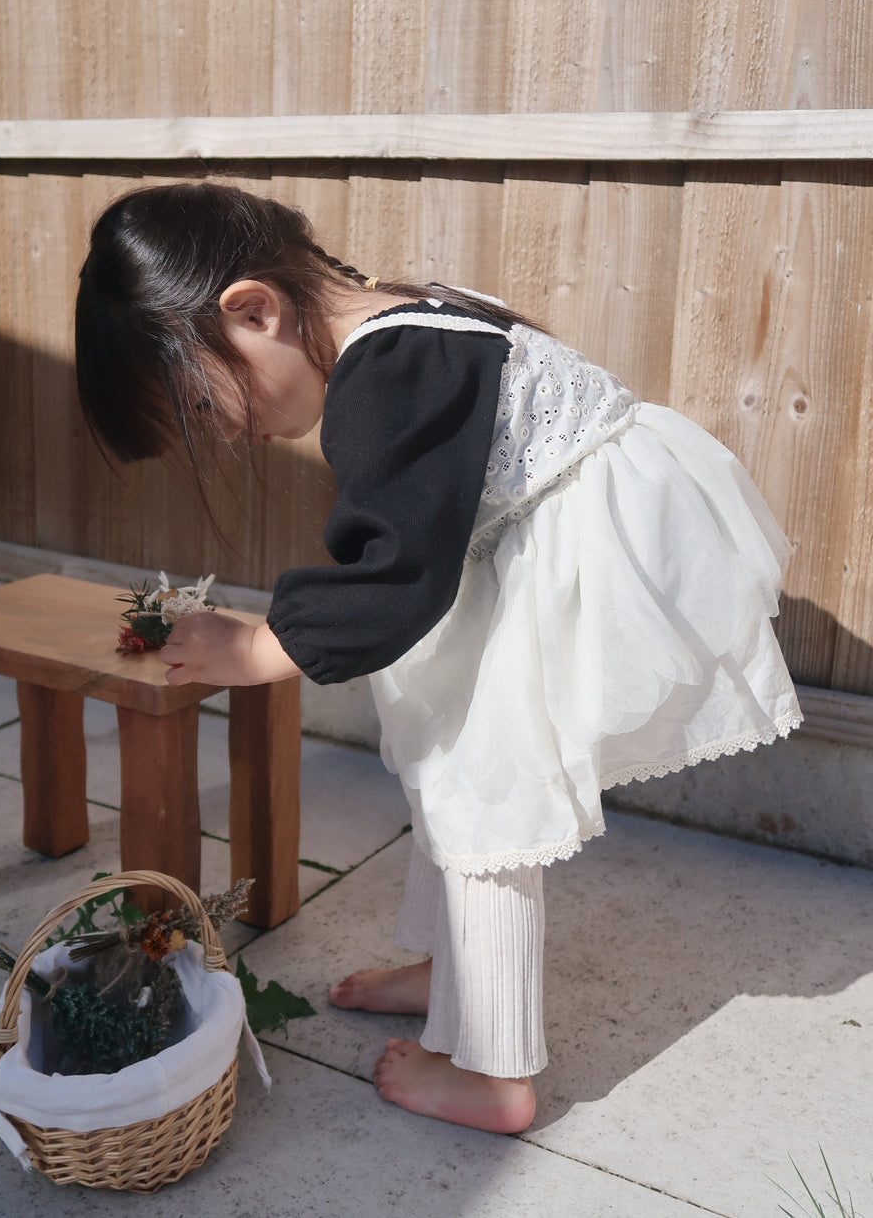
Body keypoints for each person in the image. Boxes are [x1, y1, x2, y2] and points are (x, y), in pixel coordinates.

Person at [75, 181, 802, 1135]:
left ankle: (494, 1070)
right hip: (530, 540)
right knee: (442, 742)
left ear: (255, 310)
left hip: (582, 548)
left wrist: (256, 644)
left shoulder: (389, 370)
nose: (231, 432)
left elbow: (397, 574)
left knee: (485, 785)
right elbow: (413, 546)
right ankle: (445, 965)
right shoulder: (394, 327)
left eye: (211, 407)